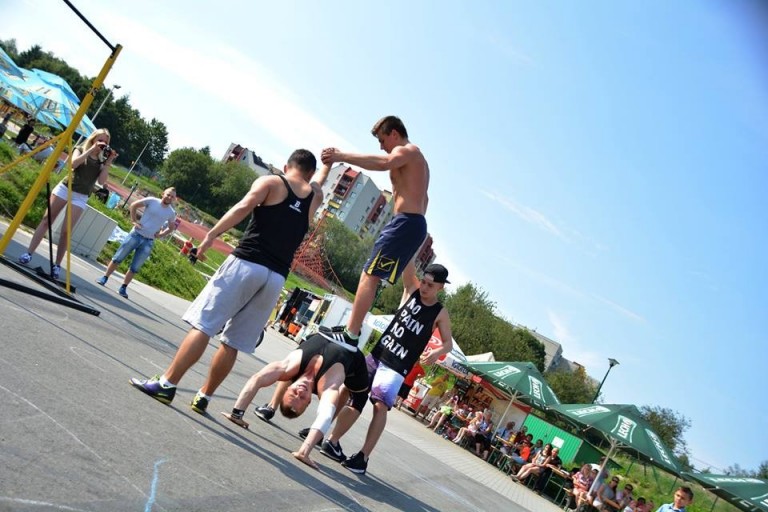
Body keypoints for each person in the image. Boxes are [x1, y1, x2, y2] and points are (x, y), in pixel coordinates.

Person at [129, 150, 328, 414]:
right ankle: (204, 396)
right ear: (311, 174)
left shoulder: (271, 182)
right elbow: (319, 182)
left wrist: (211, 235)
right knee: (232, 342)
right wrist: (329, 164)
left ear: (285, 166)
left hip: (247, 263)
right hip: (275, 278)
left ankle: (167, 383)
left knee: (204, 325)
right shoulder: (315, 197)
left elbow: (242, 208)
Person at [317, 261, 453, 475]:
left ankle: (362, 457)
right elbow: (407, 264)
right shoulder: (412, 290)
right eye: (424, 282)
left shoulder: (440, 312)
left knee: (379, 406)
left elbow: (448, 344)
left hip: (397, 366)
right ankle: (322, 433)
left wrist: (436, 353)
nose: (425, 288)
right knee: (348, 389)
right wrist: (409, 234)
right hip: (378, 354)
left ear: (440, 288)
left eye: (430, 286)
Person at [319, 116, 430, 348]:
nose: (381, 146)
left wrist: (341, 156)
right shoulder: (416, 164)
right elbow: (425, 198)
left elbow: (383, 163)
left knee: (370, 274)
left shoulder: (409, 151)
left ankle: (351, 333)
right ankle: (354, 328)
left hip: (407, 223)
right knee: (398, 280)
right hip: (411, 224)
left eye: (382, 140)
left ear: (394, 134)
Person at [222, 333, 368, 470]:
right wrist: (304, 452)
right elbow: (326, 414)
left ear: (287, 387)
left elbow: (258, 378)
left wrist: (236, 414)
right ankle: (332, 441)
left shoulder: (288, 368)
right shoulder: (327, 386)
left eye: (293, 393)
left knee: (289, 372)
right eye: (303, 397)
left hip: (327, 334)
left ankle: (271, 406)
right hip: (354, 358)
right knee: (359, 396)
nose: (300, 391)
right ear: (310, 400)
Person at [17, 128, 117, 279]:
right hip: (66, 188)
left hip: (81, 195)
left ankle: (57, 265)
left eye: (105, 142)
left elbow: (102, 182)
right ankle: (28, 253)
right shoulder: (80, 149)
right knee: (46, 220)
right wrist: (90, 149)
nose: (102, 144)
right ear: (93, 139)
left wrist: (108, 161)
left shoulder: (102, 160)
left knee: (66, 231)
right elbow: (73, 164)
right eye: (100, 140)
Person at [96, 187, 177, 298]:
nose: (169, 197)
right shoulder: (152, 201)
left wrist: (160, 235)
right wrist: (134, 220)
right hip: (136, 235)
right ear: (163, 194)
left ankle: (123, 287)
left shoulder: (171, 213)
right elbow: (133, 205)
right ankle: (104, 277)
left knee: (135, 267)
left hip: (149, 241)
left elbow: (171, 227)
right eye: (168, 194)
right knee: (118, 258)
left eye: (172, 196)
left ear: (174, 199)